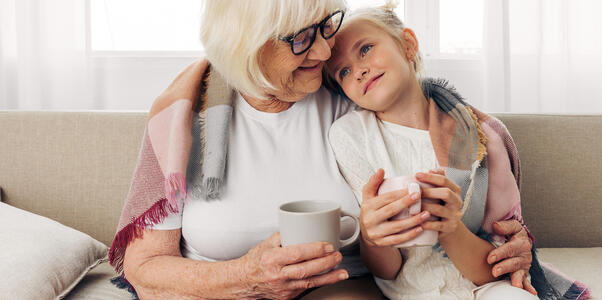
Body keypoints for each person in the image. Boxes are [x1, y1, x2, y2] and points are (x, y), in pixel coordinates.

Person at [109, 1, 535, 299]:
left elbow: (446, 129)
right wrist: (243, 277)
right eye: (300, 39)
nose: (325, 50)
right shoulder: (187, 121)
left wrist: (508, 241)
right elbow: (144, 267)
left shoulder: (355, 95)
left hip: (340, 289)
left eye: (325, 25)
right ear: (247, 46)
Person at [324, 5, 540, 300]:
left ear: (407, 45)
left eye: (365, 49)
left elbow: (495, 268)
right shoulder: (351, 136)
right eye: (344, 72)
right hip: (413, 292)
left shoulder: (480, 137)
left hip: (485, 285)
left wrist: (450, 228)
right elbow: (388, 272)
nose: (359, 70)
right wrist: (372, 236)